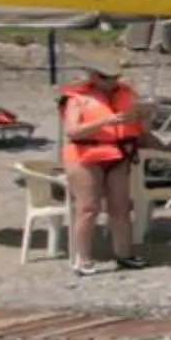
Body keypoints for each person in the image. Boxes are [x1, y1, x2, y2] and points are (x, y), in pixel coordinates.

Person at [57, 60, 146, 276]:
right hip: (84, 156)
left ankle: (124, 254)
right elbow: (72, 131)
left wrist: (144, 115)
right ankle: (83, 258)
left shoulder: (126, 93)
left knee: (121, 207)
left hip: (118, 154)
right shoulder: (77, 98)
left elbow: (139, 129)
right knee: (88, 208)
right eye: (106, 77)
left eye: (115, 77)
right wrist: (105, 121)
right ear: (94, 76)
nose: (112, 82)